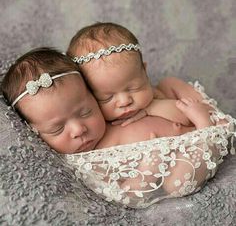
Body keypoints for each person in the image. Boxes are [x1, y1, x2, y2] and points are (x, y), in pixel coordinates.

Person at [0, 47, 218, 204]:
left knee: (169, 85)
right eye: (57, 129)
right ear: (33, 132)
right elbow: (128, 193)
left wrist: (151, 109)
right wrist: (148, 169)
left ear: (93, 94)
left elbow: (159, 103)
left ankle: (207, 124)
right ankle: (207, 129)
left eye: (86, 111)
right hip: (185, 157)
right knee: (178, 183)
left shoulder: (114, 109)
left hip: (185, 124)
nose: (79, 130)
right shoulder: (90, 163)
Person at [66, 22, 208, 127]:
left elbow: (198, 116)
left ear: (144, 72)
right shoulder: (96, 126)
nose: (124, 102)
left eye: (133, 88)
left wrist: (151, 108)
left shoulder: (163, 94)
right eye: (106, 97)